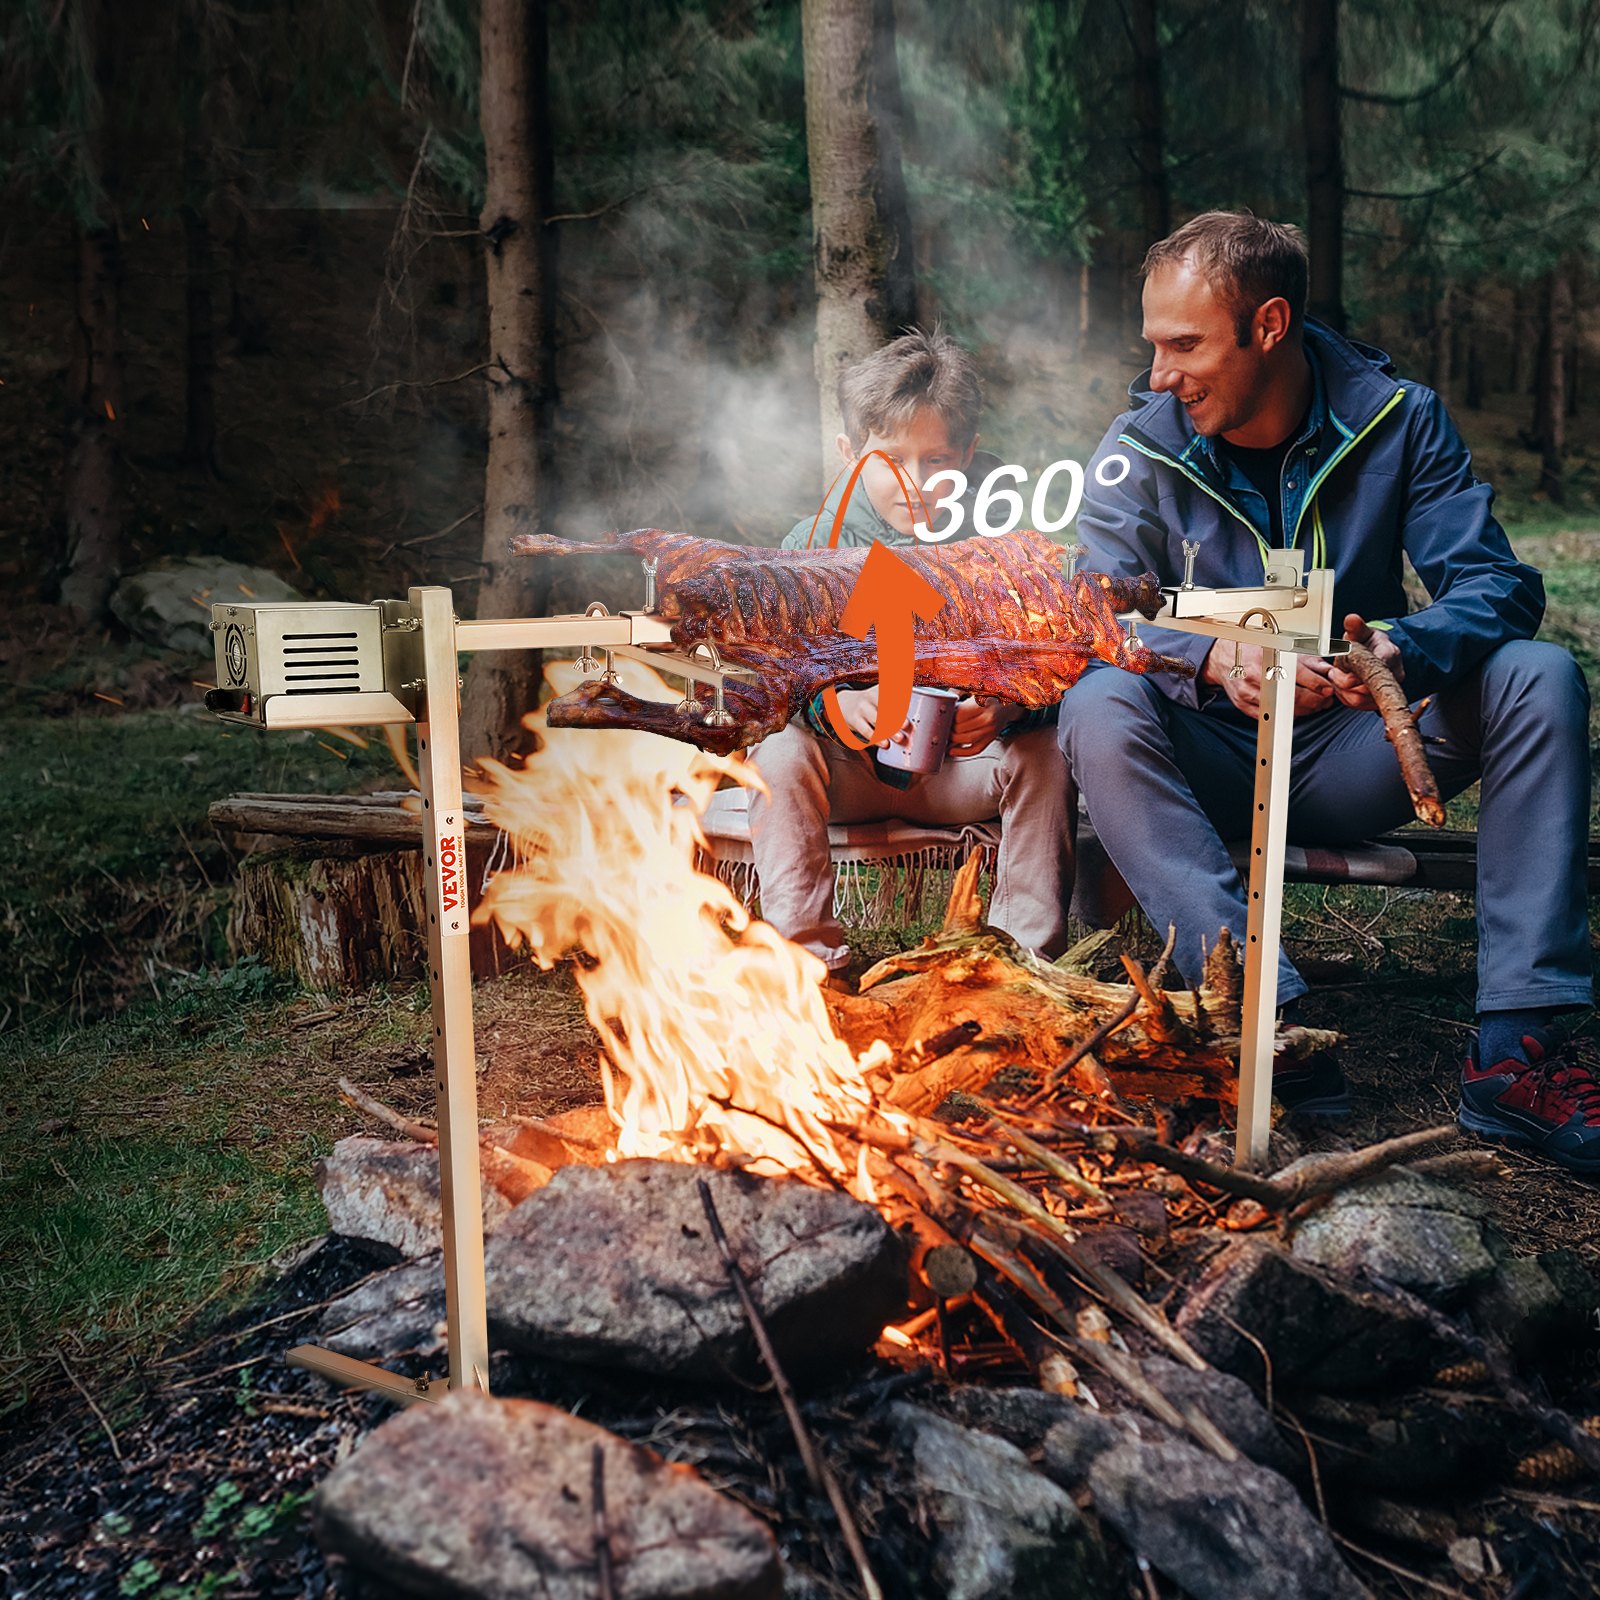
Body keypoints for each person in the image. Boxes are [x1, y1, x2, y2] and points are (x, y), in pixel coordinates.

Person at [1060, 210, 1597, 1170]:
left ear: (1268, 326)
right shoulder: (1138, 445)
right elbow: (1088, 612)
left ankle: (1521, 1049)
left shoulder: (1400, 418)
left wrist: (1404, 651)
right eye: (1152, 345)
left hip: (1360, 749)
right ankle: (1263, 1016)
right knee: (1097, 701)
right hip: (1210, 752)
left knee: (1539, 675)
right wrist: (1208, 656)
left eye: (1184, 345)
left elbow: (1499, 586)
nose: (1158, 375)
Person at [746, 328, 1074, 975]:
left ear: (971, 454)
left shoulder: (1002, 546)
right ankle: (809, 966)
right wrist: (838, 705)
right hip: (847, 773)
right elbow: (773, 677)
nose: (916, 483)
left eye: (938, 461)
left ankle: (1020, 965)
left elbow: (1057, 669)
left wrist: (1008, 712)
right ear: (849, 453)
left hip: (962, 769)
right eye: (890, 459)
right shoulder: (811, 544)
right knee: (779, 753)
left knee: (1045, 753)